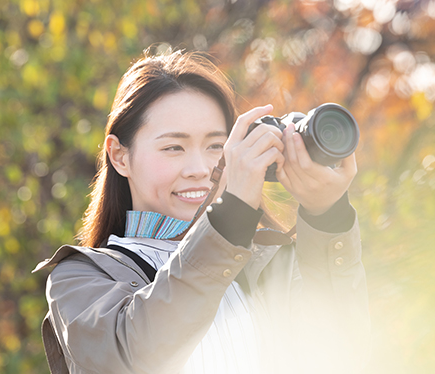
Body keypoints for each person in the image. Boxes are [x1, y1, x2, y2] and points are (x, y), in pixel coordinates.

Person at [33, 49, 370, 374]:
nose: (199, 168)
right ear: (120, 156)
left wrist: (326, 215)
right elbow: (135, 358)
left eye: (215, 146)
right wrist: (229, 218)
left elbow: (343, 349)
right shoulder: (78, 278)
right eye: (173, 147)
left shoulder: (266, 264)